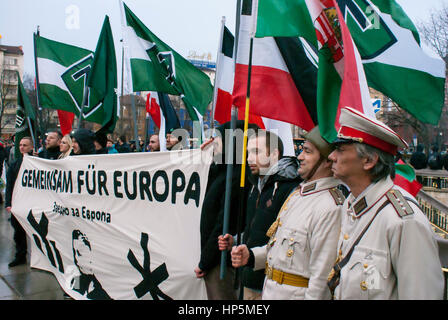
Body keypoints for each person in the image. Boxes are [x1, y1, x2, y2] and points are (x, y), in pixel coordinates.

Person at [327, 107, 443, 300]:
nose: (331, 156)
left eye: (340, 149)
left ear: (369, 160)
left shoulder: (404, 220)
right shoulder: (351, 205)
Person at [230, 126, 344, 300]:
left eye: (307, 151)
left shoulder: (330, 206)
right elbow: (278, 247)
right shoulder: (298, 195)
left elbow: (321, 280)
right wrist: (252, 256)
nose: (300, 157)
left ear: (327, 160)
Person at [218, 130, 301, 300]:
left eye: (256, 152)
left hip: (270, 286)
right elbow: (257, 229)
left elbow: (286, 241)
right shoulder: (256, 185)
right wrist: (236, 240)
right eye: (248, 152)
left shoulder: (289, 189)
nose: (249, 159)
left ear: (274, 154)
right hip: (248, 278)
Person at [195, 120, 258, 300]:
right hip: (212, 256)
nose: (214, 141)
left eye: (219, 138)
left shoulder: (239, 177)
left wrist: (205, 262)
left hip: (220, 261)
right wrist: (204, 154)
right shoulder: (224, 170)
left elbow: (223, 223)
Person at [5, 136, 35, 267]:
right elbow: (10, 185)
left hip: (33, 203)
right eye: (21, 145)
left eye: (25, 145)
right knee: (18, 231)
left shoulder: (37, 162)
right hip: (18, 203)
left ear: (31, 147)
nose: (22, 147)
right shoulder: (15, 164)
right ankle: (21, 255)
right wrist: (8, 203)